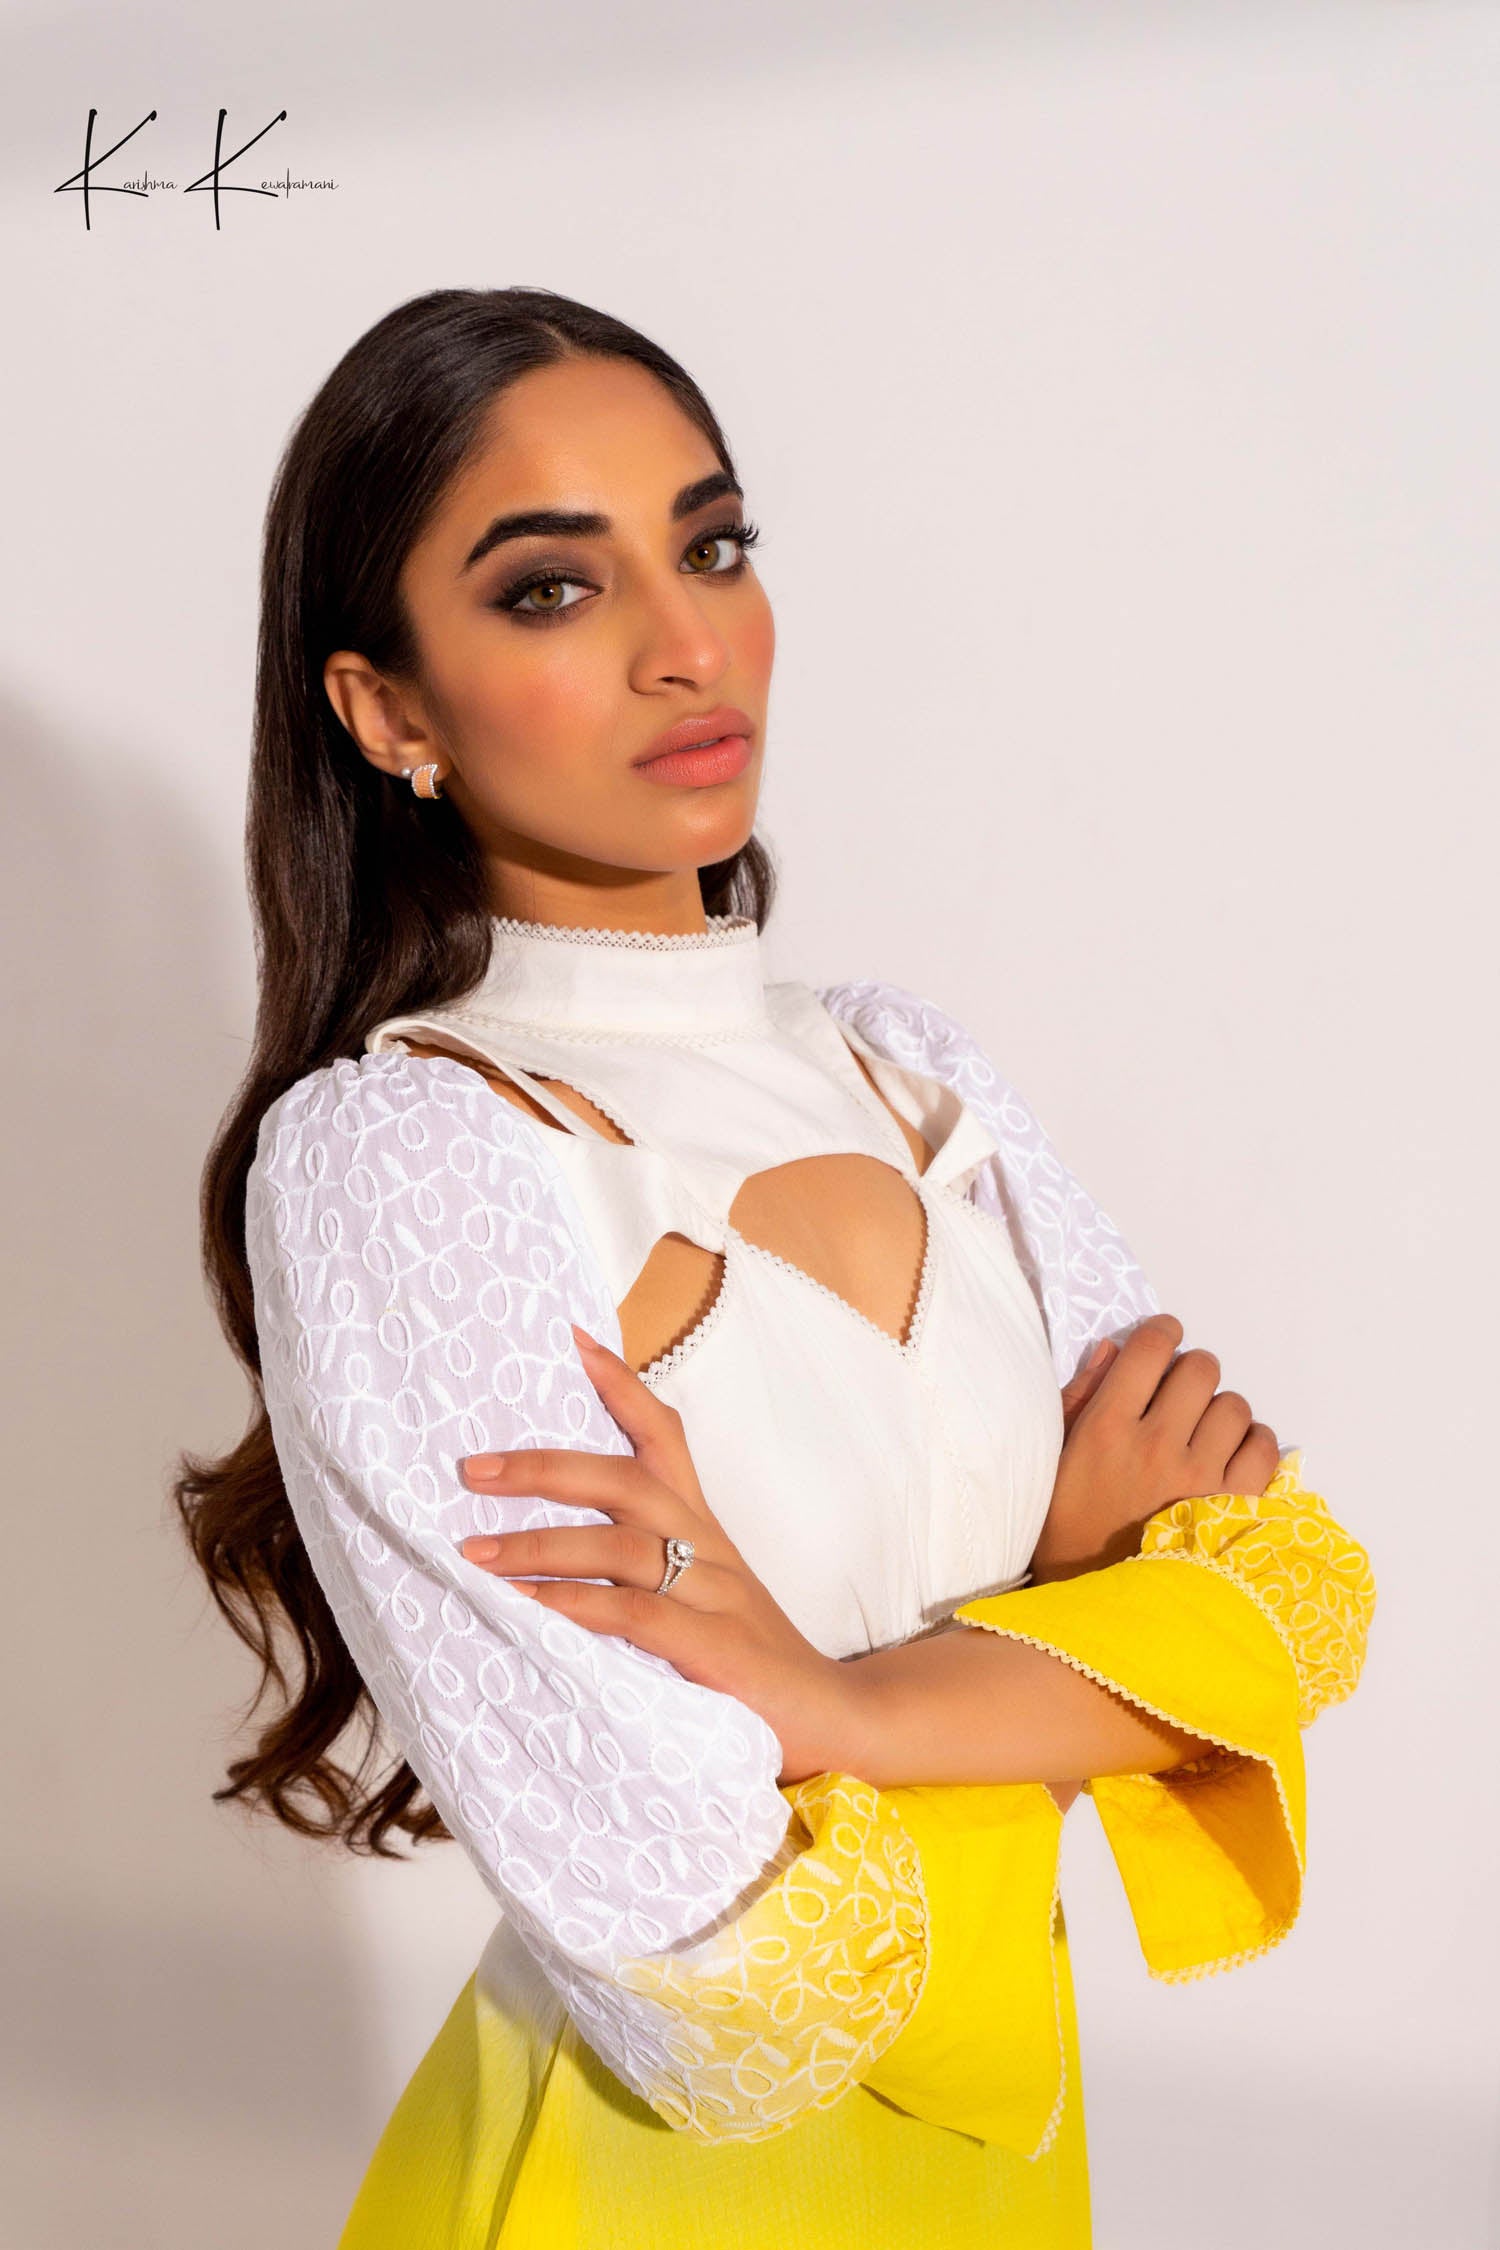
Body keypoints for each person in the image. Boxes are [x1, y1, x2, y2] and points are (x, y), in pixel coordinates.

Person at [174, 285, 1376, 2249]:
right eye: (554, 589)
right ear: (389, 714)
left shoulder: (912, 1070)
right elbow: (731, 1997)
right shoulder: (401, 1157)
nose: (688, 642)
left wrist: (838, 1707)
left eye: (713, 544)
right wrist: (1080, 1617)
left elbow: (1299, 1607)